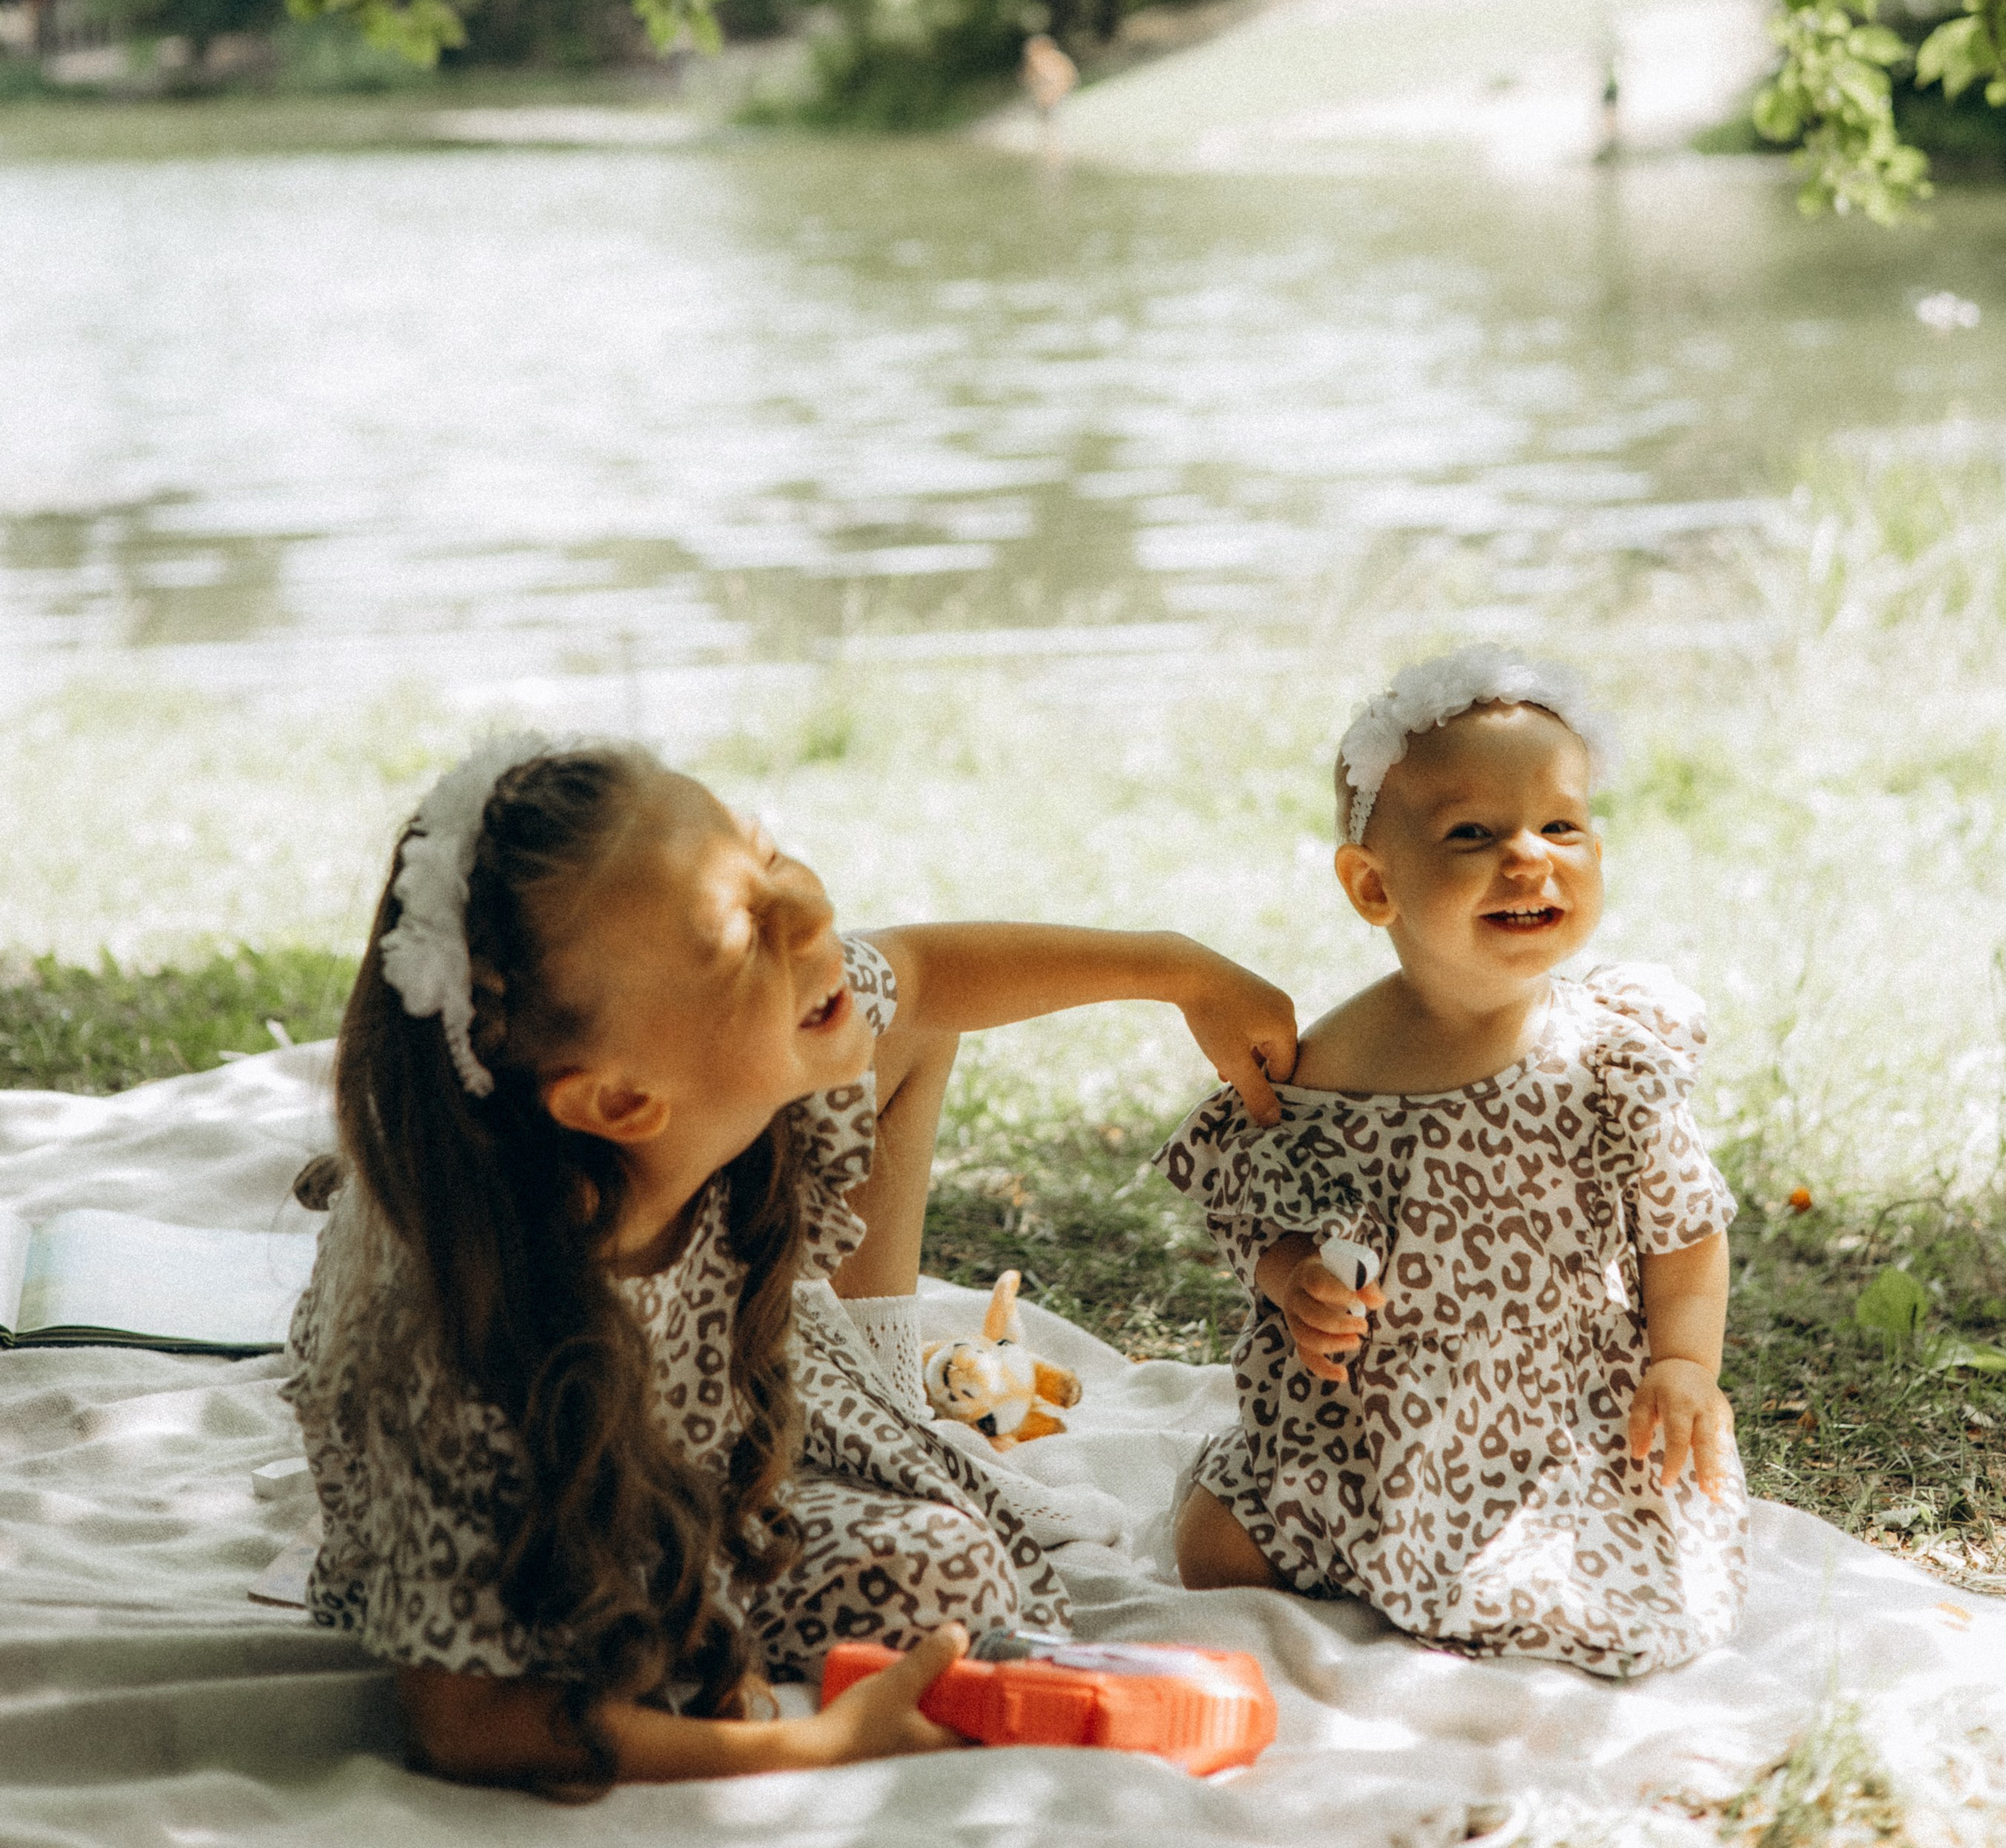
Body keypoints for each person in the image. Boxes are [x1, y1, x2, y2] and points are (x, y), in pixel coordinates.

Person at [282, 734, 1297, 1790]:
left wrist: (1178, 970)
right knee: (783, 1610)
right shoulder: (460, 1339)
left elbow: (925, 973)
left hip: (701, 1396)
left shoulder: (713, 1083)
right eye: (740, 933)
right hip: (581, 1455)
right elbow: (468, 1720)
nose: (809, 911)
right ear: (619, 1100)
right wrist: (813, 1747)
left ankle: (875, 1388)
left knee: (955, 1578)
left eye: (763, 854)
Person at [1163, 645, 1746, 1679]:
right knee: (1215, 1553)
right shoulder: (1331, 1067)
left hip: (1555, 1410)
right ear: (1372, 884)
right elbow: (1261, 1213)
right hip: (1362, 1418)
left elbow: (1685, 1233)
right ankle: (1362, 1540)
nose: (1528, 858)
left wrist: (1683, 1365)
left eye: (1560, 826)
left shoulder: (1607, 1064)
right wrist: (1293, 1282)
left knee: (1590, 1588)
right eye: (1473, 834)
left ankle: (1498, 1558)